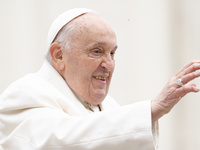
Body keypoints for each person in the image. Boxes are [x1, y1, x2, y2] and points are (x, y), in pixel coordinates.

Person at [0, 8, 200, 150]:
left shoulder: (109, 107)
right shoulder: (25, 93)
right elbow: (59, 142)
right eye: (97, 51)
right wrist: (151, 109)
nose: (109, 65)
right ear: (59, 55)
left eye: (112, 53)